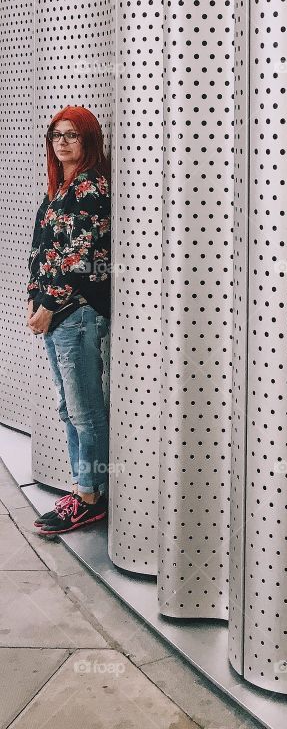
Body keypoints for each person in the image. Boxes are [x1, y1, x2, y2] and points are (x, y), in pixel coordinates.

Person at [26, 106, 111, 535]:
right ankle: (83, 487)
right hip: (58, 314)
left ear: (89, 141)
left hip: (76, 313)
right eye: (56, 135)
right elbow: (43, 250)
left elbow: (80, 260)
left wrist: (48, 304)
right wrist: (34, 296)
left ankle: (90, 496)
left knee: (85, 411)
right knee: (69, 407)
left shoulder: (90, 190)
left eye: (72, 135)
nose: (62, 142)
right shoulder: (62, 188)